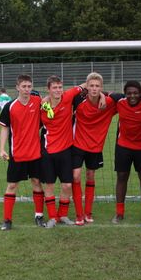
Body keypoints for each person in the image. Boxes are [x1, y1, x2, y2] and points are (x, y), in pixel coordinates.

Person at [0, 75, 46, 231]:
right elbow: (4, 128)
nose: (26, 89)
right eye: (24, 86)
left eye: (29, 86)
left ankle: (39, 216)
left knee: (37, 182)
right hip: (17, 153)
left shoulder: (38, 102)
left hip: (35, 153)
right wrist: (2, 149)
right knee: (12, 185)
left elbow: (53, 100)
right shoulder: (9, 106)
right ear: (17, 87)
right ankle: (7, 220)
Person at [39, 76, 87, 228]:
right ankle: (53, 217)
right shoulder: (42, 105)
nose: (58, 90)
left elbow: (87, 83)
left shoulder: (68, 96)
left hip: (66, 150)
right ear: (48, 89)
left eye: (60, 87)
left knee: (67, 185)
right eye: (54, 87)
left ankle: (63, 215)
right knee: (49, 185)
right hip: (47, 151)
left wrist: (104, 96)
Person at [71, 72, 117, 226]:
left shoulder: (108, 103)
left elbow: (122, 96)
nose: (94, 88)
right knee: (76, 176)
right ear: (87, 87)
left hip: (95, 147)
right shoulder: (78, 101)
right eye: (91, 85)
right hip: (77, 144)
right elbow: (63, 96)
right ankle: (79, 214)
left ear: (101, 87)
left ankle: (88, 212)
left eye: (97, 86)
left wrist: (104, 95)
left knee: (90, 176)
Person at [108, 81, 141, 223]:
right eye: (129, 93)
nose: (132, 96)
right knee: (122, 177)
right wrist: (102, 95)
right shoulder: (120, 102)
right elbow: (107, 94)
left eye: (135, 93)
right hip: (123, 146)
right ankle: (119, 213)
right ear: (125, 94)